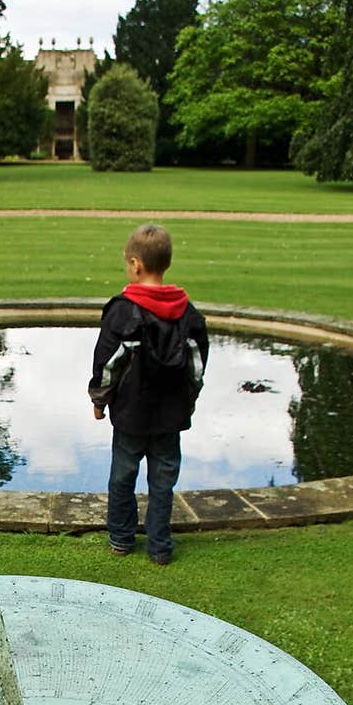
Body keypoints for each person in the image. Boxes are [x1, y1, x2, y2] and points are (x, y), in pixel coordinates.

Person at [88, 223, 209, 565]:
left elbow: (108, 363)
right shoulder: (189, 314)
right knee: (162, 482)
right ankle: (159, 547)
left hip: (131, 414)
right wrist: (190, 400)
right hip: (171, 414)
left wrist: (99, 400)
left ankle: (122, 539)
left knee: (122, 478)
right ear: (166, 263)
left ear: (136, 264)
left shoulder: (122, 310)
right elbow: (196, 368)